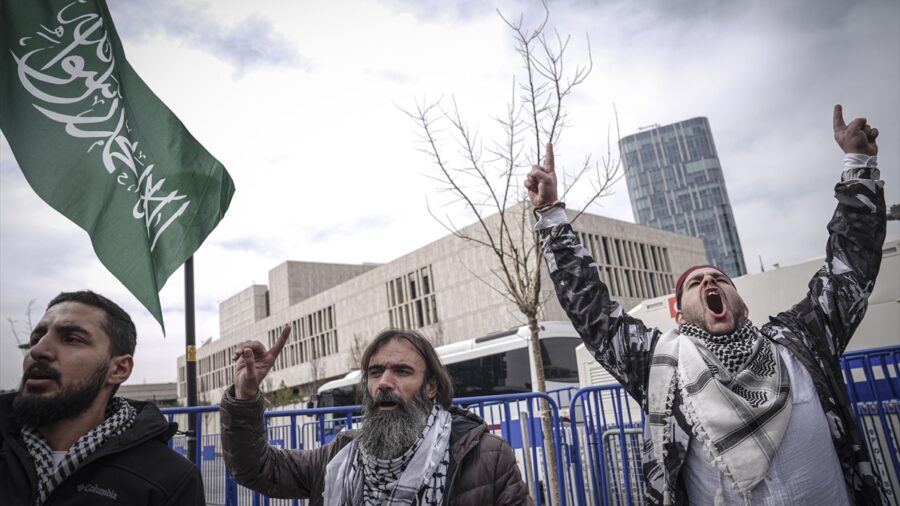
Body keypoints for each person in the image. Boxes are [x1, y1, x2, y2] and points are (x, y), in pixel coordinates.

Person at [525, 105, 887, 505]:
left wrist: (858, 163)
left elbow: (848, 270)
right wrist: (551, 215)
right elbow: (594, 313)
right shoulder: (658, 366)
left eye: (719, 279)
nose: (709, 282)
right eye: (695, 283)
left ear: (743, 306)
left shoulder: (800, 342)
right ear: (679, 315)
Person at [220, 328, 532, 505]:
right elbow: (255, 468)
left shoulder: (487, 458)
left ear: (432, 386)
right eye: (375, 372)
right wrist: (245, 395)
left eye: (402, 371)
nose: (383, 382)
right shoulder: (339, 455)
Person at [0, 290, 205, 505]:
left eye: (71, 339)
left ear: (118, 369)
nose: (37, 350)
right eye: (36, 339)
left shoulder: (170, 479)